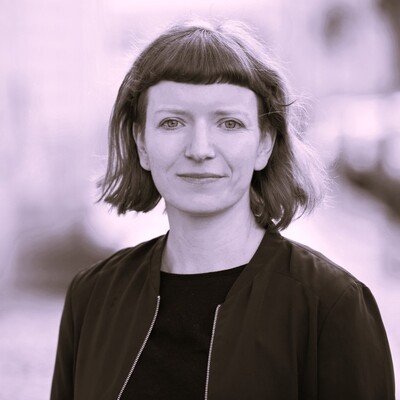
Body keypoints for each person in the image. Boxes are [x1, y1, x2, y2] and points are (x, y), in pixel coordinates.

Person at [51, 19, 395, 400]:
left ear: (264, 144)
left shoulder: (332, 307)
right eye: (172, 122)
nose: (200, 149)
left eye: (229, 123)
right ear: (141, 143)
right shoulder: (93, 297)